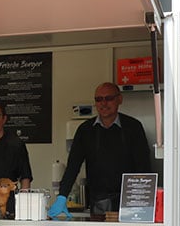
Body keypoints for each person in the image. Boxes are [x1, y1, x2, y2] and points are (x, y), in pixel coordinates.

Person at [49, 82, 151, 218]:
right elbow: (73, 166)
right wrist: (62, 196)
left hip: (130, 202)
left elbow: (144, 167)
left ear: (119, 99)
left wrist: (144, 201)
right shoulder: (85, 130)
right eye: (99, 99)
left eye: (109, 98)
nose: (103, 103)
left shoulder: (133, 127)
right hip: (98, 202)